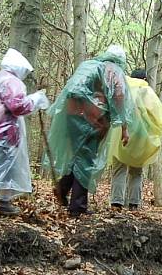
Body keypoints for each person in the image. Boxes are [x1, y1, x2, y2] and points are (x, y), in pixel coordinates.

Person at [48, 45, 134, 217]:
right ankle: (78, 207)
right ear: (121, 60)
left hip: (71, 115)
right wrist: (124, 128)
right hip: (92, 119)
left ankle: (62, 189)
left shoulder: (89, 65)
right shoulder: (113, 70)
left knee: (77, 155)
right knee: (86, 160)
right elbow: (119, 97)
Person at [0, 49, 49, 221]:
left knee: (8, 168)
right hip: (3, 134)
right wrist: (36, 100)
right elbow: (17, 107)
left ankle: (5, 202)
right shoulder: (12, 82)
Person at [109, 69, 162, 210]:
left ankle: (116, 203)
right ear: (144, 78)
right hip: (141, 136)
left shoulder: (123, 88)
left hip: (120, 132)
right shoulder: (146, 91)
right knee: (136, 171)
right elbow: (158, 115)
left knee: (119, 169)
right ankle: (134, 204)